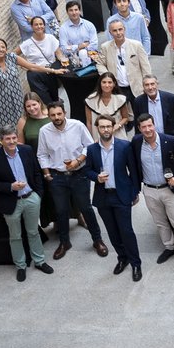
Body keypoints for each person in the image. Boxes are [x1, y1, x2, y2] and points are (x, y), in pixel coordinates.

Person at [39, 101, 107, 260]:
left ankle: (97, 240)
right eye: (53, 115)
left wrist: (78, 160)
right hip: (57, 176)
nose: (56, 117)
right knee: (61, 211)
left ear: (64, 113)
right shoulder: (44, 131)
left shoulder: (77, 125)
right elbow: (41, 154)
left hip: (79, 173)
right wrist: (47, 173)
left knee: (86, 208)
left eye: (59, 114)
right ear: (49, 116)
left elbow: (90, 146)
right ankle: (64, 242)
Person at [0, 127, 54, 282]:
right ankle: (21, 266)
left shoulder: (27, 150)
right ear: (1, 140)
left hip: (31, 198)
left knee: (33, 231)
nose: (12, 142)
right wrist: (10, 187)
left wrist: (38, 195)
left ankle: (40, 261)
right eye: (8, 139)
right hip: (11, 202)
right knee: (15, 236)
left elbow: (37, 173)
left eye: (14, 138)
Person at [130, 113, 174, 266]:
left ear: (154, 125)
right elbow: (133, 164)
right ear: (139, 129)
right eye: (143, 127)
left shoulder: (169, 140)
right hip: (150, 190)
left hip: (169, 189)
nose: (147, 129)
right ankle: (169, 247)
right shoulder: (136, 142)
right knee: (160, 222)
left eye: (149, 125)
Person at [85, 116, 142, 281]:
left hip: (121, 195)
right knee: (112, 232)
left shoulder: (125, 146)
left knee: (126, 231)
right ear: (97, 129)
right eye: (102, 127)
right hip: (103, 197)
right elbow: (87, 170)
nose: (105, 130)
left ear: (113, 127)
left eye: (108, 126)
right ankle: (122, 258)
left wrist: (135, 192)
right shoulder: (92, 149)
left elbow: (134, 171)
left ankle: (136, 263)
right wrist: (96, 177)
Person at [0, 38, 45, 131]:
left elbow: (31, 66)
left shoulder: (12, 57)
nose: (1, 49)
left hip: (17, 100)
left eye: (3, 47)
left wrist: (52, 70)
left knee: (23, 126)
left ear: (6, 49)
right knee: (6, 131)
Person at [96, 17, 153, 104]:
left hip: (137, 88)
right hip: (118, 89)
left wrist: (147, 85)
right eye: (115, 30)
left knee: (140, 115)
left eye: (120, 29)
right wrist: (108, 77)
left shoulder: (136, 45)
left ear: (124, 30)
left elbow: (145, 67)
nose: (118, 33)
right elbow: (100, 63)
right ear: (110, 32)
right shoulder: (105, 47)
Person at [14, 15, 62, 102]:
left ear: (44, 26)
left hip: (50, 71)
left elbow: (59, 54)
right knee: (45, 102)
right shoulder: (27, 43)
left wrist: (63, 61)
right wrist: (24, 65)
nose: (39, 26)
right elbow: (13, 55)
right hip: (35, 74)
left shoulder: (50, 38)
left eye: (41, 24)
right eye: (36, 24)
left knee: (54, 99)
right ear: (32, 27)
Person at [85, 73, 131, 142]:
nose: (107, 85)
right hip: (98, 137)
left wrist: (118, 125)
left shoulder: (120, 100)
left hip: (117, 135)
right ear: (100, 83)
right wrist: (91, 139)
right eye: (104, 82)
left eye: (110, 82)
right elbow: (89, 122)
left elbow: (126, 117)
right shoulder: (90, 100)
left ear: (114, 84)